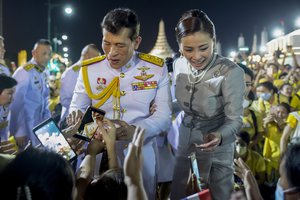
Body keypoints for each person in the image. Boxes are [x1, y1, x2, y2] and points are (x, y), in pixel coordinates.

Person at [69, 8, 171, 199]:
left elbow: (164, 117)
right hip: (97, 155)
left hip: (139, 154)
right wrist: (80, 129)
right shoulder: (89, 70)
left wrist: (135, 130)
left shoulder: (155, 69)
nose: (111, 53)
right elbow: (77, 108)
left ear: (136, 41)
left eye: (120, 45)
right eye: (106, 43)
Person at [170, 9, 244, 200]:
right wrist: (163, 107)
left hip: (216, 148)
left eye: (204, 48)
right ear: (179, 47)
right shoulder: (179, 65)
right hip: (185, 144)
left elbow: (235, 120)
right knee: (180, 193)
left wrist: (219, 136)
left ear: (214, 41)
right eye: (188, 50)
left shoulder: (230, 71)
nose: (196, 56)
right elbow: (184, 103)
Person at [9, 39, 52, 148]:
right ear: (34, 53)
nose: (47, 57)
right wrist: (19, 131)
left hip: (42, 126)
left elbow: (45, 100)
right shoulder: (24, 72)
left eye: (49, 54)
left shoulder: (44, 72)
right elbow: (15, 104)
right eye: (44, 53)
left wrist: (48, 123)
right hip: (27, 128)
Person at [60, 44, 100, 126]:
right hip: (71, 121)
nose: (97, 63)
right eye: (95, 59)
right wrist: (82, 106)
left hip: (85, 120)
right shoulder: (71, 73)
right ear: (88, 56)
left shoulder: (91, 72)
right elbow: (64, 100)